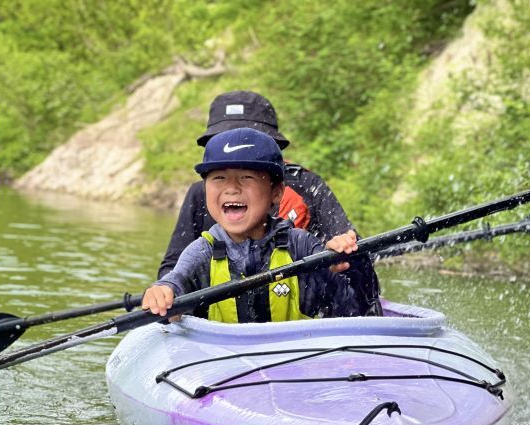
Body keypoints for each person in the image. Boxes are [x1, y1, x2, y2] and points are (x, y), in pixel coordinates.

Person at [158, 90, 382, 315]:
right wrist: (170, 296)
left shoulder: (307, 189)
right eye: (221, 172)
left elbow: (350, 256)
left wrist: (344, 259)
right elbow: (172, 269)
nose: (232, 186)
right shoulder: (202, 195)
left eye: (250, 145)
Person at [142, 128, 360, 322]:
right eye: (219, 178)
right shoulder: (201, 252)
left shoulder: (301, 245)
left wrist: (339, 262)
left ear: (277, 192)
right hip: (221, 359)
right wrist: (163, 291)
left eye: (246, 177)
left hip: (292, 356)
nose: (232, 188)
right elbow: (176, 280)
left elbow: (348, 303)